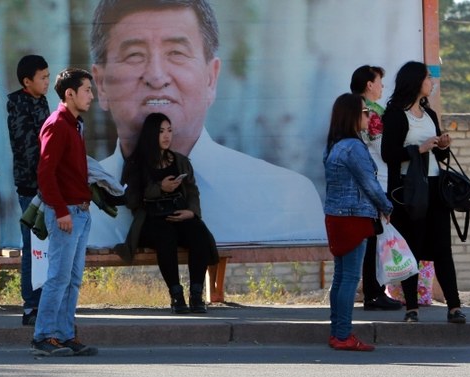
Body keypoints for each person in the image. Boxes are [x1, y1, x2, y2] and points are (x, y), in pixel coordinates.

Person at [87, 0, 325, 247]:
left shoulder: (287, 200)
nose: (156, 76)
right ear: (101, 84)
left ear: (211, 78)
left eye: (176, 53)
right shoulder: (70, 204)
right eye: (134, 55)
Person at [381, 61, 466, 324]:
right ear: (416, 81)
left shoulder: (429, 114)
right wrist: (417, 149)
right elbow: (388, 154)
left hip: (433, 187)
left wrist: (442, 145)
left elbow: (437, 154)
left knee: (443, 248)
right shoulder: (395, 114)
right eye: (428, 77)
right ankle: (411, 308)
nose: (432, 82)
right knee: (412, 247)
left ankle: (454, 307)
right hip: (408, 190)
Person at [117, 112, 218, 314]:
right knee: (166, 235)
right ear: (150, 134)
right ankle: (176, 295)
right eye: (161, 131)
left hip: (179, 215)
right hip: (151, 219)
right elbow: (132, 200)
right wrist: (160, 188)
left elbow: (192, 190)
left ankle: (197, 295)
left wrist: (191, 211)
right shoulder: (137, 163)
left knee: (199, 232)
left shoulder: (180, 161)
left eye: (169, 131)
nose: (166, 136)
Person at [30, 68, 98, 357]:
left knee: (73, 278)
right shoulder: (57, 124)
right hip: (65, 213)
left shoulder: (75, 125)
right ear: (69, 94)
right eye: (86, 90)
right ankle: (43, 336)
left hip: (80, 212)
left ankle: (64, 334)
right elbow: (45, 174)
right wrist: (60, 211)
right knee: (58, 277)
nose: (91, 96)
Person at [323, 93, 392, 351]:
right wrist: (387, 207)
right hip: (353, 217)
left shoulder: (334, 145)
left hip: (336, 216)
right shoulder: (353, 147)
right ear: (352, 115)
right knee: (350, 278)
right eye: (364, 112)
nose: (369, 116)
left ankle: (337, 332)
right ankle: (343, 335)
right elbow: (370, 184)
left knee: (340, 277)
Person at [349, 65, 402, 311]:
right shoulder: (370, 111)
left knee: (370, 239)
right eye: (379, 82)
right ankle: (374, 292)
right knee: (374, 239)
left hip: (363, 181)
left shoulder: (351, 108)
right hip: (374, 181)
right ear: (369, 84)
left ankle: (373, 291)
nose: (382, 87)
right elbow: (380, 150)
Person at [7, 54, 51, 326]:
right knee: (32, 245)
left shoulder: (41, 101)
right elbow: (28, 147)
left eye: (48, 76)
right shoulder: (18, 105)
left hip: (47, 183)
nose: (47, 82)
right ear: (27, 81)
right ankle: (31, 305)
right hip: (31, 185)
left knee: (45, 245)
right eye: (43, 78)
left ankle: (46, 300)